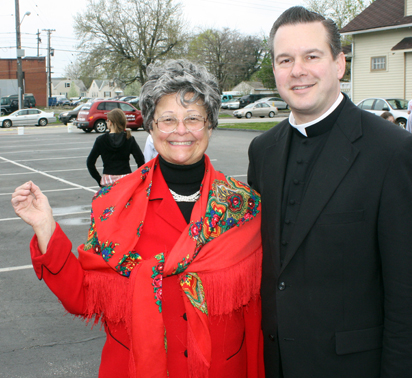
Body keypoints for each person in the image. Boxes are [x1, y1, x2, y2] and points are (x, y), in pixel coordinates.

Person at [11, 60, 265, 378]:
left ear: (210, 125)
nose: (181, 130)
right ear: (151, 127)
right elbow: (83, 295)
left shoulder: (244, 207)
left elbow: (260, 312)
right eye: (168, 119)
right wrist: (45, 226)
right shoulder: (113, 204)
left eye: (193, 119)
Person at [247, 6, 412, 378]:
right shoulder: (263, 150)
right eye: (285, 59)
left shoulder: (393, 152)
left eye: (311, 56)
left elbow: (411, 295)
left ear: (339, 64)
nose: (297, 70)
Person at [86, 108, 145, 187]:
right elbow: (140, 160)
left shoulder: (101, 140)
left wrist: (99, 179)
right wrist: (137, 178)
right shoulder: (129, 138)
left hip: (107, 180)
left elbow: (90, 162)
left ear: (110, 122)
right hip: (126, 179)